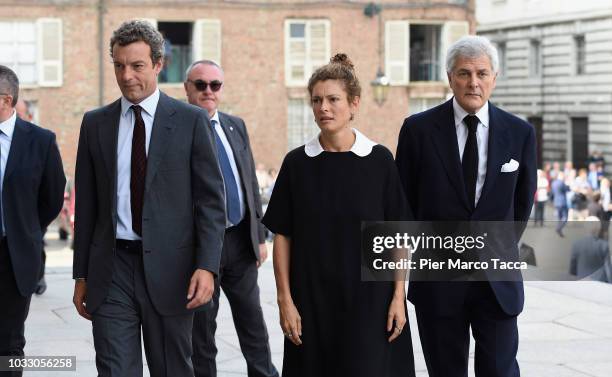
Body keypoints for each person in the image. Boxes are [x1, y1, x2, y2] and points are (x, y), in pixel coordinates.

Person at [72, 20, 226, 376]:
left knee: (172, 368)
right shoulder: (95, 124)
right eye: (119, 65)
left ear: (158, 64)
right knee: (114, 369)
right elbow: (89, 204)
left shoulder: (190, 121)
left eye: (137, 65)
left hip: (173, 271)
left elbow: (210, 202)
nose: (127, 76)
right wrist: (81, 272)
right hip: (112, 272)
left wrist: (207, 265)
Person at [263, 54, 415, 377]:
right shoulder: (296, 164)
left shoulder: (379, 161)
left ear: (354, 103)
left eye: (333, 99)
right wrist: (284, 301)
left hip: (371, 305)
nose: (323, 108)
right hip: (312, 305)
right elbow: (282, 236)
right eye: (316, 100)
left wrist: (398, 296)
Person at [395, 35, 537, 377]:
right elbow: (404, 207)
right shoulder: (417, 130)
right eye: (464, 73)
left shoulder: (520, 133)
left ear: (494, 78)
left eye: (482, 73)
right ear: (449, 77)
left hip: (497, 282)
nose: (473, 82)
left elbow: (521, 206)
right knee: (445, 371)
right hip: (438, 283)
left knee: (501, 371)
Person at [184, 60, 278, 377]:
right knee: (202, 332)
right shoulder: (177, 131)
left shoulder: (234, 125)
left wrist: (259, 236)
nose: (208, 91)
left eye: (215, 85)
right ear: (187, 89)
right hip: (199, 248)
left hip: (240, 241)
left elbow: (248, 180)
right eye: (200, 84)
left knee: (253, 323)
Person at [0, 65, 65, 376]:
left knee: (9, 343)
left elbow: (52, 196)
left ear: (6, 99)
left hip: (14, 257)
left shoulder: (40, 140)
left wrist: (24, 228)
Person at [14, 98, 49, 295]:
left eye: (19, 114)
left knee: (36, 244)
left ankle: (38, 275)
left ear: (29, 116)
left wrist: (36, 219)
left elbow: (51, 187)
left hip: (33, 212)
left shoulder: (41, 141)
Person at [551, 172, 570, 237]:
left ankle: (559, 229)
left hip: (556, 201)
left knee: (560, 217)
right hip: (562, 201)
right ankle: (559, 228)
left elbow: (552, 193)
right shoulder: (562, 183)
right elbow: (567, 190)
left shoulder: (553, 183)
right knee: (565, 217)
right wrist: (567, 185)